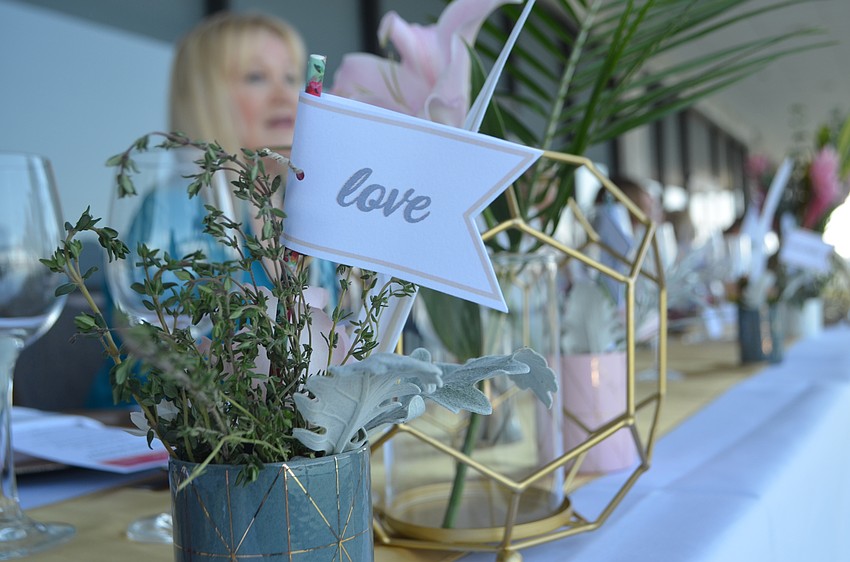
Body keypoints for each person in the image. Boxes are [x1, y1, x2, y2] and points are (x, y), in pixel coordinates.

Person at [87, 11, 311, 408]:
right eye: (256, 77)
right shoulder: (174, 207)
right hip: (160, 438)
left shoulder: (303, 209)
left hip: (274, 443)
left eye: (292, 77)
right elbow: (158, 352)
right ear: (207, 96)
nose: (284, 94)